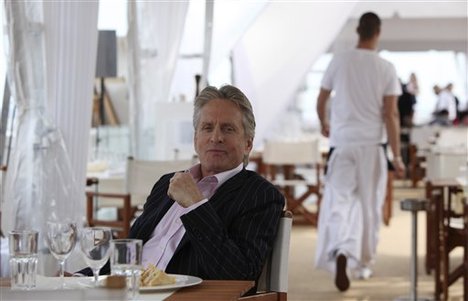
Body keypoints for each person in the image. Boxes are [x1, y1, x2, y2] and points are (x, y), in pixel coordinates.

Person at [77, 85, 285, 281]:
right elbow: (131, 252)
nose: (216, 137)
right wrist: (80, 279)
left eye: (228, 129)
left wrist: (196, 205)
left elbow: (238, 274)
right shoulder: (166, 183)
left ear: (248, 143)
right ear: (195, 139)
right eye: (207, 127)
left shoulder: (260, 195)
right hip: (126, 290)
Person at [315, 12, 405, 292]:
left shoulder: (339, 61)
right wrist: (397, 156)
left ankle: (341, 249)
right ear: (377, 33)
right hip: (372, 147)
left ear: (358, 30)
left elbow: (321, 100)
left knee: (339, 201)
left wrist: (324, 123)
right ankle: (364, 262)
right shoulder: (386, 67)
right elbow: (390, 115)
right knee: (369, 206)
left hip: (342, 144)